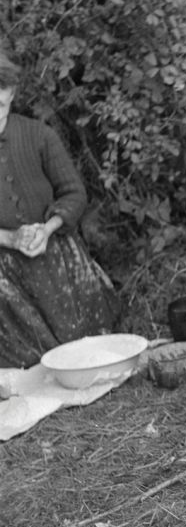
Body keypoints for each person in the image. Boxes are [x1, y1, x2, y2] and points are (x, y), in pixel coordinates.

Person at [0, 49, 119, 368]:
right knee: (24, 358)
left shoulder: (39, 135)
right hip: (2, 259)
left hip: (54, 245)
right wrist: (11, 239)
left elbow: (74, 194)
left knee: (84, 344)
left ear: (11, 94)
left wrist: (46, 228)